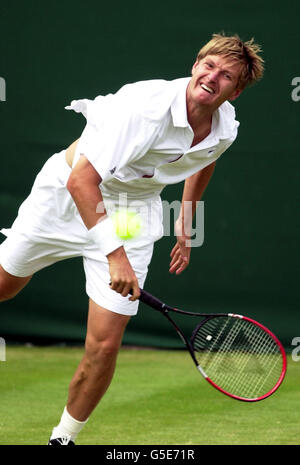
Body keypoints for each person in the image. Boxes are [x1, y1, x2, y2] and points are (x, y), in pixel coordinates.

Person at [0, 33, 264, 445]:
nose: (213, 78)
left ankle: (62, 439)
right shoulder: (145, 108)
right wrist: (115, 258)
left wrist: (187, 221)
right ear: (195, 65)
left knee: (105, 345)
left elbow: (203, 161)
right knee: (4, 287)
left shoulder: (224, 127)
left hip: (133, 210)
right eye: (208, 66)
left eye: (227, 76)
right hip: (66, 195)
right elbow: (81, 182)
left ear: (236, 91)